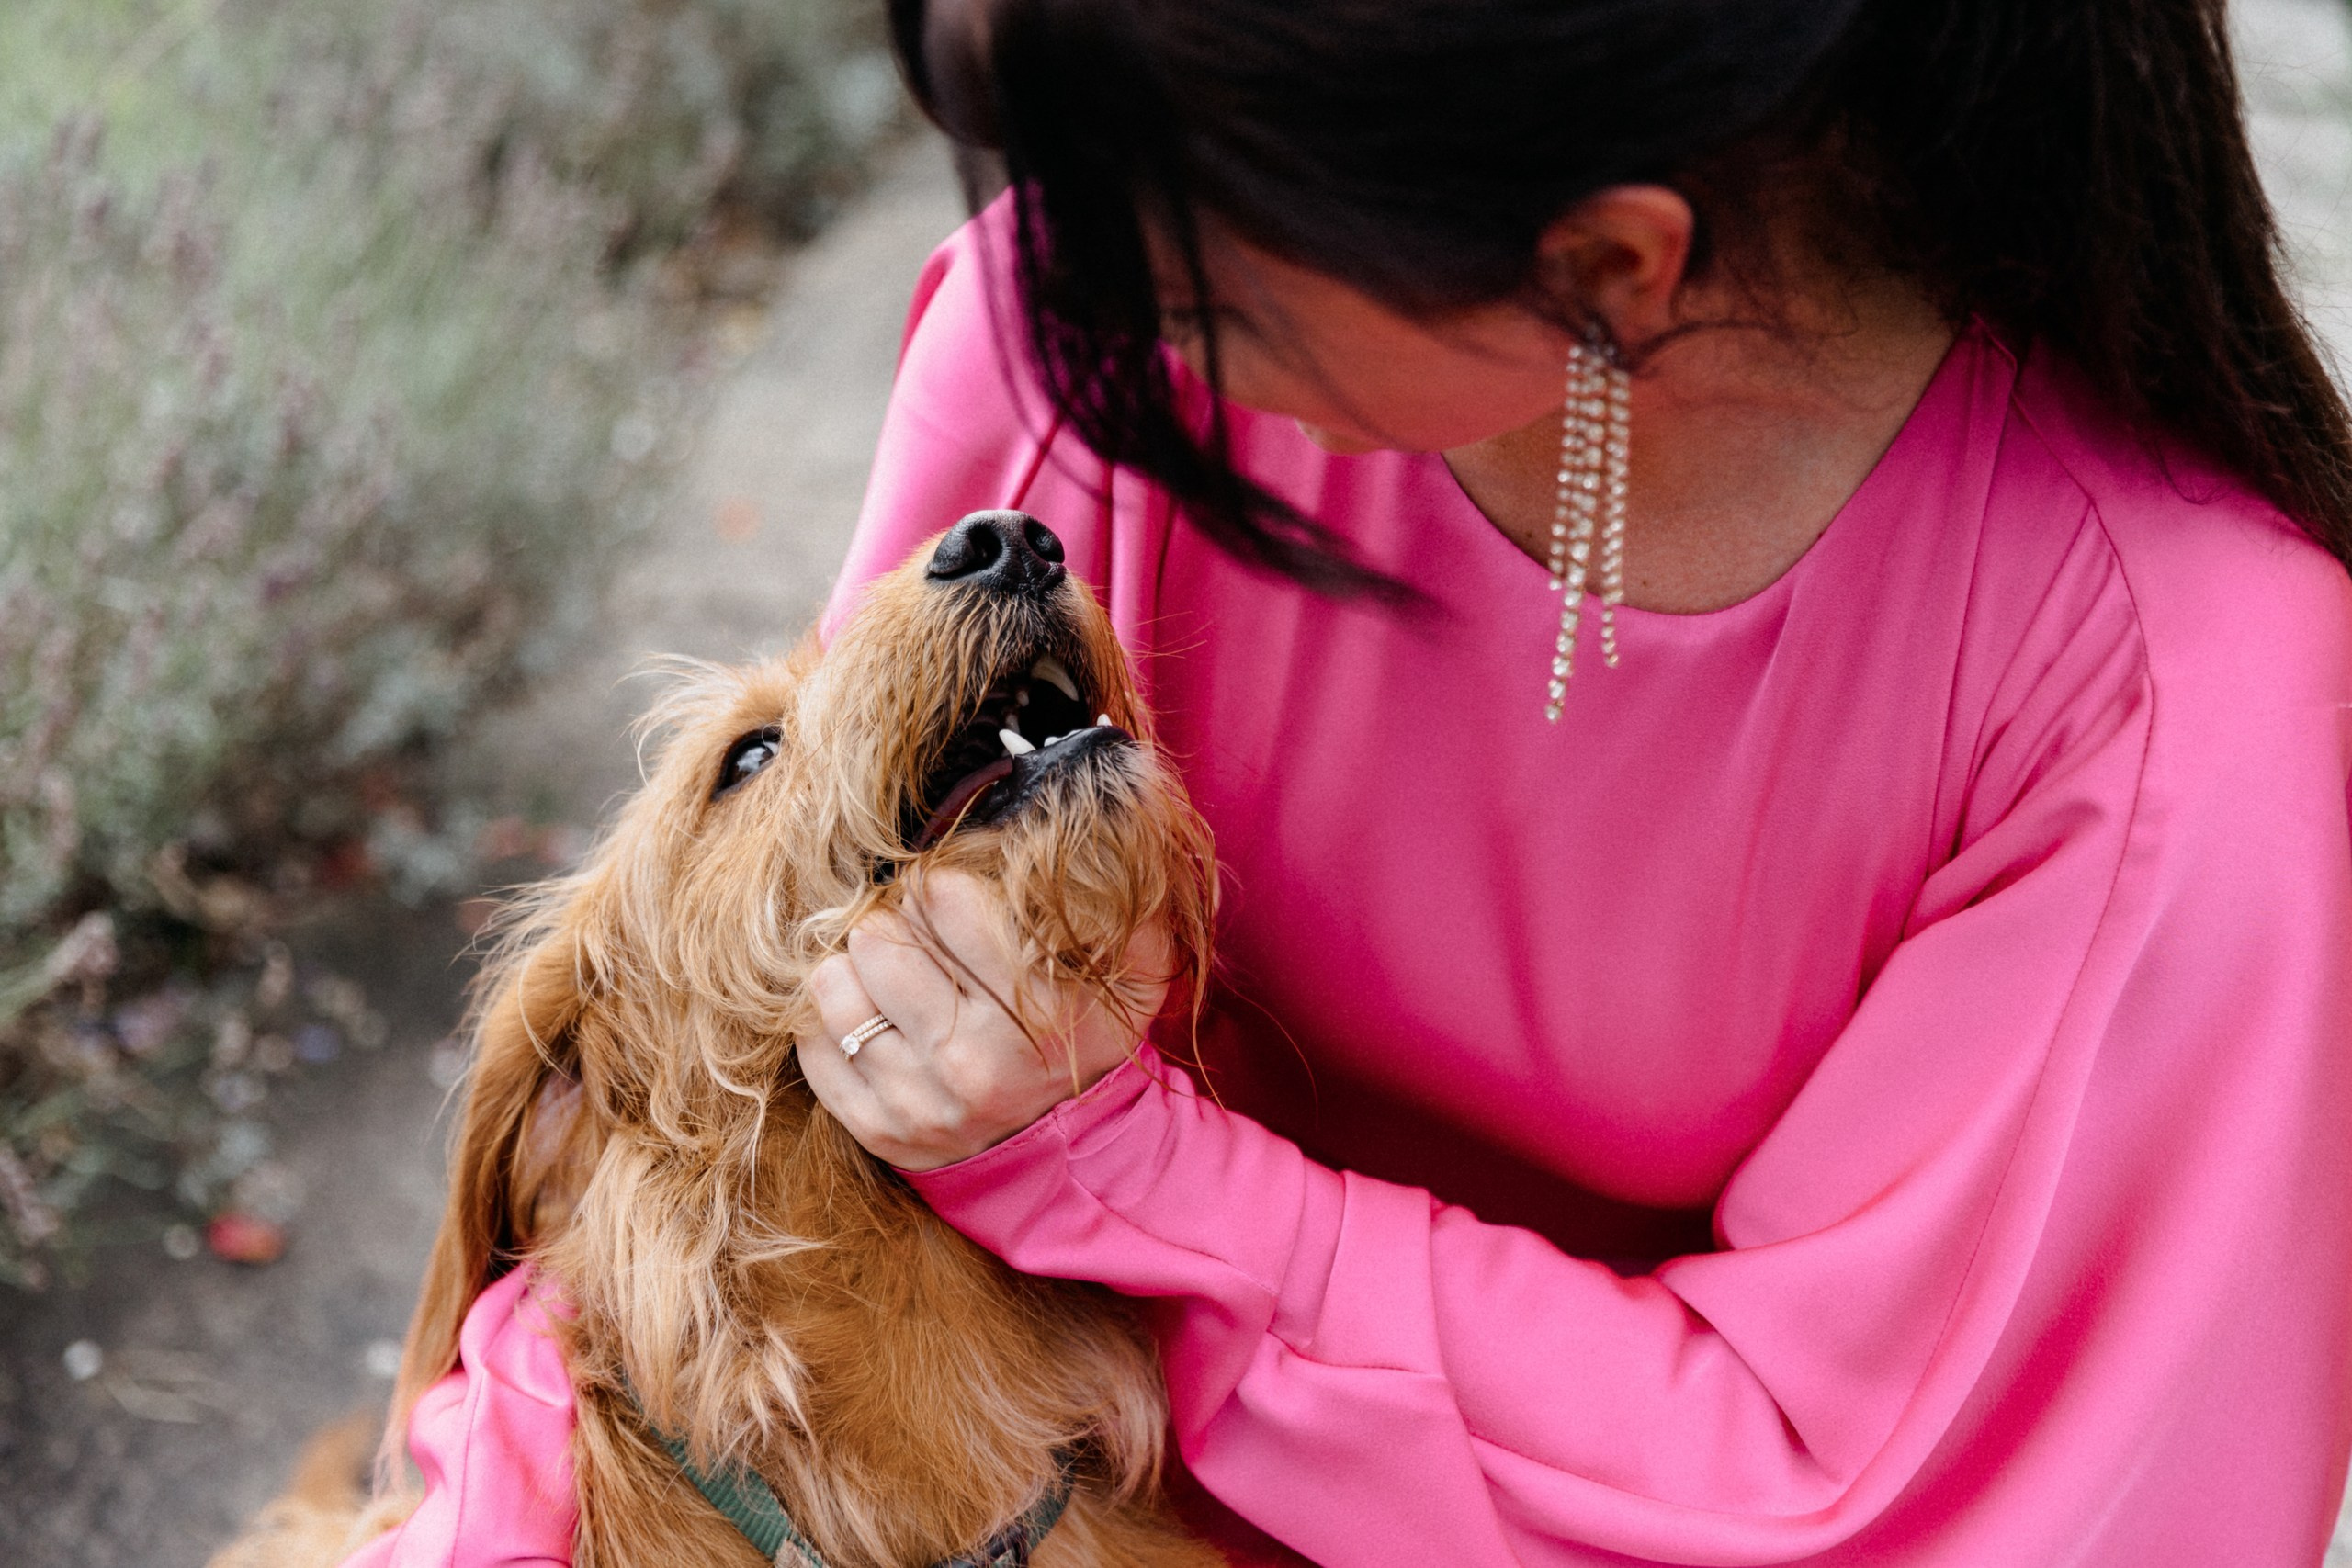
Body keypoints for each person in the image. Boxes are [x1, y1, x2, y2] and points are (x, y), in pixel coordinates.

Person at [351, 3, 2352, 1565]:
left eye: (1191, 269)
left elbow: (1869, 1502)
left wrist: (1122, 1170)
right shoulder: (1065, 333)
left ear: (1605, 265)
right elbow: (766, 1057)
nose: (1068, 313)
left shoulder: (2172, 701)